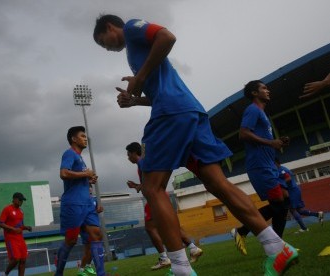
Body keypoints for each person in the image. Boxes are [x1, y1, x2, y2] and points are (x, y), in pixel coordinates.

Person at [93, 15, 298, 276]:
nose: (108, 49)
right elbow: (158, 90)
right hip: (189, 112)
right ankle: (276, 246)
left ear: (110, 27)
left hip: (171, 114)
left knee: (152, 188)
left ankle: (179, 267)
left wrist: (140, 77)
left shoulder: (133, 28)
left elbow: (167, 36)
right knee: (217, 183)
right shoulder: (136, 49)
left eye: (104, 42)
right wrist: (135, 100)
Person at [231, 80, 293, 256]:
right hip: (259, 165)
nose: (268, 90)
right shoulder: (252, 110)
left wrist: (278, 143)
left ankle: (246, 233)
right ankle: (274, 246)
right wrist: (270, 142)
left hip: (269, 165)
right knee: (278, 205)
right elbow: (243, 134)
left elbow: (264, 140)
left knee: (285, 200)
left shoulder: (263, 114)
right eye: (264, 88)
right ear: (254, 93)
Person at [125, 142, 203, 269]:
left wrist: (139, 186)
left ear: (134, 153)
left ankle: (164, 258)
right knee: (172, 226)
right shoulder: (145, 162)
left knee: (150, 228)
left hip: (154, 198)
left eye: (129, 155)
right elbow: (147, 183)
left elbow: (149, 185)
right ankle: (193, 248)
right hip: (162, 195)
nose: (128, 158)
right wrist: (136, 186)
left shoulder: (141, 163)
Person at [56, 126, 104, 276]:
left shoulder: (80, 158)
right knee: (70, 241)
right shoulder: (69, 153)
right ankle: (58, 274)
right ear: (74, 139)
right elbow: (63, 173)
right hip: (73, 204)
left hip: (87, 204)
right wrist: (85, 174)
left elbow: (80, 177)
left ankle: (101, 273)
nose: (85, 138)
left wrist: (89, 179)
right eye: (82, 136)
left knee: (96, 235)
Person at [275, 158, 324, 232]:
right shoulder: (279, 170)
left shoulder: (282, 170)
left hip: (292, 191)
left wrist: (281, 185)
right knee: (299, 210)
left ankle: (304, 228)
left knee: (292, 209)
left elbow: (288, 179)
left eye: (273, 163)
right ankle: (318, 214)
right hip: (294, 190)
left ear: (277, 163)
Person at [0, 192, 33, 276]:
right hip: (11, 238)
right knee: (16, 259)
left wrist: (26, 227)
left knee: (23, 259)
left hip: (20, 238)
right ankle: (5, 273)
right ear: (14, 199)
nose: (21, 202)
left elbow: (20, 226)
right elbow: (0, 223)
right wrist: (13, 229)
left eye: (22, 200)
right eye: (20, 200)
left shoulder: (21, 211)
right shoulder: (7, 209)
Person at [78, 186, 103, 276]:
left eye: (90, 187)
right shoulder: (81, 199)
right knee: (89, 250)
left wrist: (98, 210)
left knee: (92, 249)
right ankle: (81, 270)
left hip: (93, 225)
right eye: (87, 187)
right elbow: (81, 213)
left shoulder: (94, 199)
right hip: (86, 227)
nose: (89, 188)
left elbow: (93, 212)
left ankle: (88, 267)